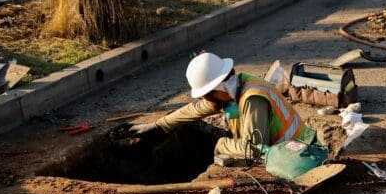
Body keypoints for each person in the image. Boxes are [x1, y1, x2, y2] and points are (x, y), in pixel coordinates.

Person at [129, 52, 317, 161]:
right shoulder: (235, 87)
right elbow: (198, 108)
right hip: (288, 151)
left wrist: (219, 144)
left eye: (206, 95)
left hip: (300, 155)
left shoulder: (252, 99)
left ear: (217, 88)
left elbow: (254, 149)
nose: (206, 101)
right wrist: (160, 125)